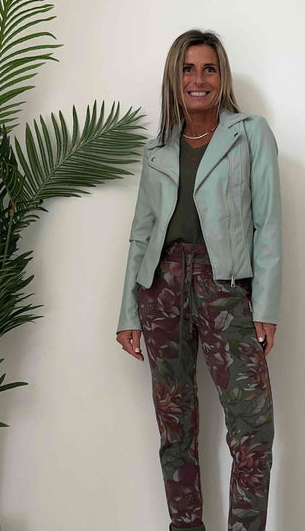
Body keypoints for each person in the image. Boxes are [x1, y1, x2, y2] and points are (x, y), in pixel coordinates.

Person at [116, 29, 282, 531]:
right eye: (188, 69)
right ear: (176, 77)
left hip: (224, 287)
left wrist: (265, 307)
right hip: (161, 288)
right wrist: (128, 314)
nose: (198, 79)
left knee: (253, 428)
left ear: (221, 77)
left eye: (209, 68)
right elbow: (141, 234)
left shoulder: (250, 134)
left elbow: (268, 223)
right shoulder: (158, 149)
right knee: (175, 428)